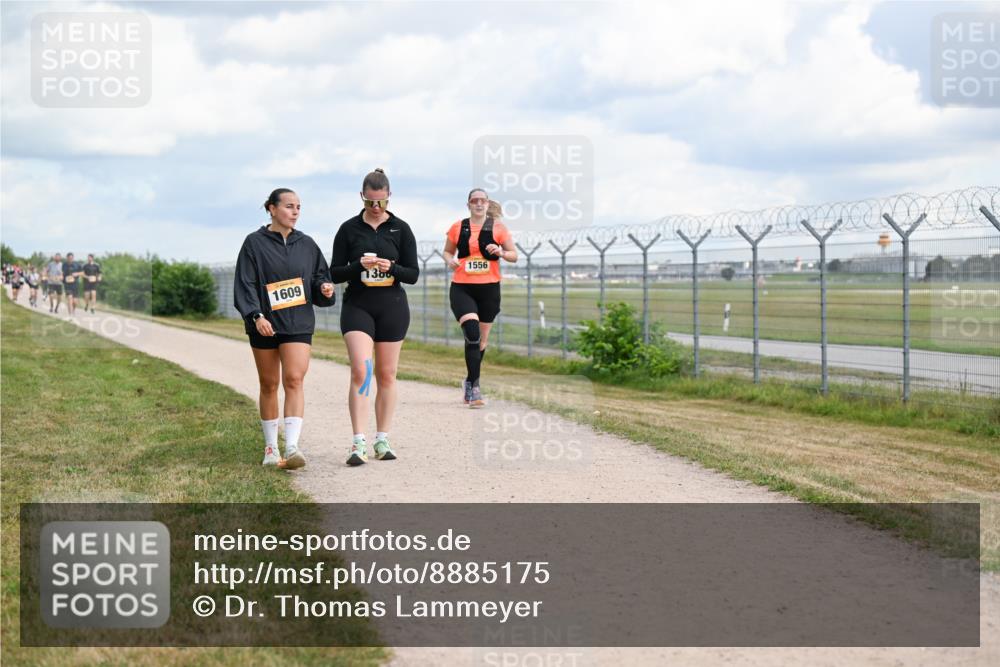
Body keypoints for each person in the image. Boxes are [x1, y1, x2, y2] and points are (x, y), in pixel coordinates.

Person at [234, 188, 336, 469]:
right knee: (269, 384)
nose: (295, 212)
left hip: (297, 322)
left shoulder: (308, 244)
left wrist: (324, 288)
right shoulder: (254, 243)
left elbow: (319, 278)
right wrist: (256, 316)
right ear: (272, 208)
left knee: (294, 379)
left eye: (299, 207)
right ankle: (270, 449)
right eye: (289, 206)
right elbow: (245, 284)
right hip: (264, 324)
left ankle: (291, 446)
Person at [330, 168, 419, 466]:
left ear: (389, 197)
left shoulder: (401, 229)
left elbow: (413, 274)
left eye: (381, 202)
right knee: (361, 371)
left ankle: (382, 437)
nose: (377, 208)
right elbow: (335, 271)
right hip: (358, 305)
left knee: (386, 374)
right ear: (362, 197)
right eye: (371, 203)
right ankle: (358, 442)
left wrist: (390, 267)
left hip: (392, 305)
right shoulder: (348, 229)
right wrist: (358, 265)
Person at [442, 191, 517, 407]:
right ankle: (475, 388)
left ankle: (468, 379)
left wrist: (501, 252)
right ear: (469, 204)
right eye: (474, 201)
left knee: (481, 341)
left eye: (482, 200)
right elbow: (447, 252)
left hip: (489, 290)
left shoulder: (498, 228)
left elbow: (514, 255)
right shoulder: (458, 227)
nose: (478, 204)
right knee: (472, 333)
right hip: (462, 288)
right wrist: (450, 261)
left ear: (487, 204)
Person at [62, 252, 83, 316]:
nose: (70, 259)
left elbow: (82, 273)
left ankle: (73, 311)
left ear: (73, 258)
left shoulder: (77, 264)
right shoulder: (64, 265)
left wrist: (77, 274)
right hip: (67, 284)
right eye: (69, 258)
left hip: (75, 285)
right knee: (69, 298)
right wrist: (61, 277)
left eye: (71, 258)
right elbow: (62, 273)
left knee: (75, 302)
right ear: (67, 258)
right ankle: (70, 315)